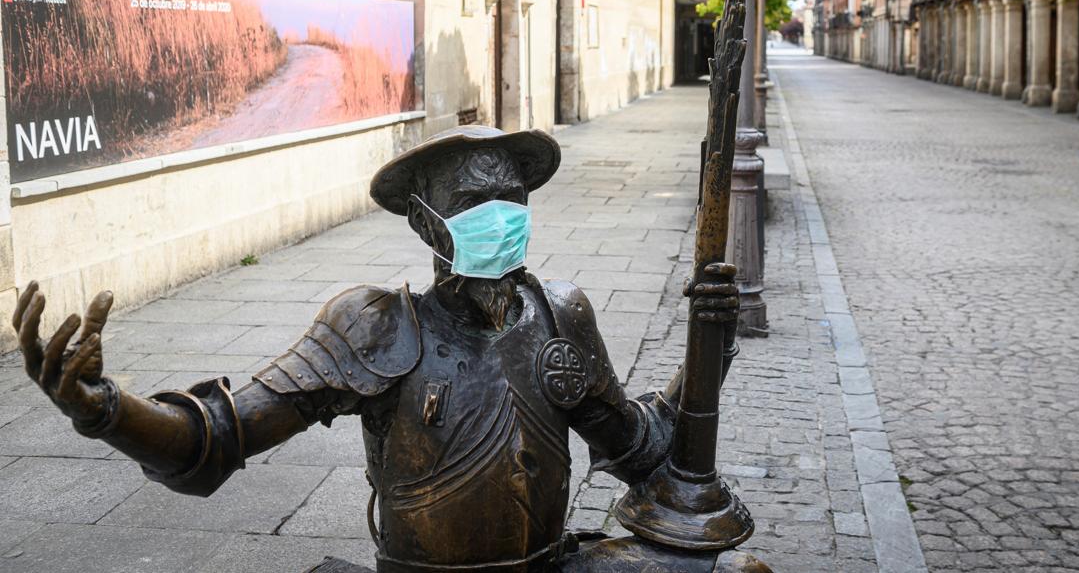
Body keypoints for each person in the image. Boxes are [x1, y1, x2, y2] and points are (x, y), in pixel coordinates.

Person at [12, 126, 764, 573]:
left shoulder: (558, 312)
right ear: (426, 222)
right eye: (476, 205)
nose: (501, 219)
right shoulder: (374, 325)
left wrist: (710, 347)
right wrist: (105, 411)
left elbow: (642, 452)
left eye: (513, 201)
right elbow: (217, 436)